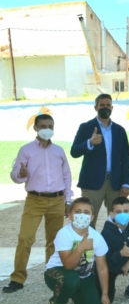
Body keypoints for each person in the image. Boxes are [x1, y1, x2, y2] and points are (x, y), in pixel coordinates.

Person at [3, 114, 73, 294]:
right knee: (25, 238)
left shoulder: (59, 150)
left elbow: (66, 175)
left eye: (50, 125)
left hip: (57, 200)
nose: (47, 129)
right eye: (43, 126)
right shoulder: (26, 150)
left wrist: (68, 200)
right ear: (35, 128)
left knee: (54, 241)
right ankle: (17, 278)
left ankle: (51, 276)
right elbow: (15, 176)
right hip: (35, 200)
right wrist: (22, 173)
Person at [44, 197, 111, 304]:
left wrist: (105, 293)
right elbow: (68, 265)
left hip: (82, 275)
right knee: (71, 280)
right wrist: (81, 247)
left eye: (86, 212)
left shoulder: (97, 237)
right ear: (70, 215)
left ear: (92, 217)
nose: (82, 215)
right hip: (57, 273)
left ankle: (72, 293)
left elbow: (102, 267)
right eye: (78, 211)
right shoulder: (64, 234)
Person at [70, 93, 129, 229]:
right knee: (87, 221)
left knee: (119, 221)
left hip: (115, 184)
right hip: (92, 184)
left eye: (108, 105)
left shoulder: (119, 130)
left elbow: (125, 158)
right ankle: (87, 249)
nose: (105, 108)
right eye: (102, 105)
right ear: (95, 107)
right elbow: (74, 151)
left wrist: (126, 183)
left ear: (112, 107)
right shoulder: (86, 127)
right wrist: (89, 143)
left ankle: (117, 249)